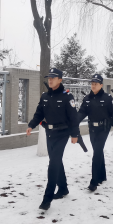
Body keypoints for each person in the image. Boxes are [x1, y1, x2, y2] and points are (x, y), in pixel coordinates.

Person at [26, 68, 81, 211]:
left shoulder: (67, 97)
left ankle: (47, 198)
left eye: (53, 77)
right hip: (49, 133)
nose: (50, 80)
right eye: (49, 77)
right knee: (55, 161)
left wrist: (75, 135)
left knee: (53, 163)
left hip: (62, 133)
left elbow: (74, 118)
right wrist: (31, 125)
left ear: (60, 80)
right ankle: (63, 189)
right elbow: (39, 113)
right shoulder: (45, 96)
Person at [77, 74, 113, 192]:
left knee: (97, 152)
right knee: (98, 151)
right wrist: (73, 122)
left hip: (104, 129)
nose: (93, 86)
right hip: (92, 129)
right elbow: (82, 112)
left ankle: (94, 181)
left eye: (95, 84)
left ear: (101, 85)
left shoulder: (108, 98)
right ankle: (102, 176)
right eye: (92, 84)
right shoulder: (87, 98)